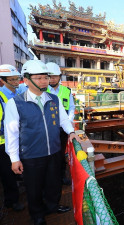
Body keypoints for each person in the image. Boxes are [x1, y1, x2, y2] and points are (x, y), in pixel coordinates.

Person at [5, 60, 81, 225]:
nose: (44, 81)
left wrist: (72, 132)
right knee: (34, 188)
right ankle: (37, 215)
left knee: (54, 183)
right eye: (38, 78)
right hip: (31, 155)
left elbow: (63, 119)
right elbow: (11, 132)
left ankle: (53, 206)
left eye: (45, 77)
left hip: (53, 151)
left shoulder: (54, 99)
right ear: (26, 80)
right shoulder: (15, 103)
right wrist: (14, 159)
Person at [0, 64, 24, 211]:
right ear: (3, 80)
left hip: (17, 136)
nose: (16, 82)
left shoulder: (18, 92)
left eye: (17, 79)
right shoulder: (2, 96)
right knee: (7, 172)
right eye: (12, 79)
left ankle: (18, 185)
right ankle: (11, 201)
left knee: (16, 167)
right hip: (3, 141)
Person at [46, 62, 75, 186]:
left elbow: (72, 107)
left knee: (61, 154)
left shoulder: (66, 91)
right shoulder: (41, 90)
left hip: (62, 129)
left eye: (55, 76)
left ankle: (61, 177)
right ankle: (49, 179)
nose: (52, 79)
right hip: (47, 129)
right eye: (49, 76)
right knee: (47, 155)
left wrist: (68, 122)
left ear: (59, 76)